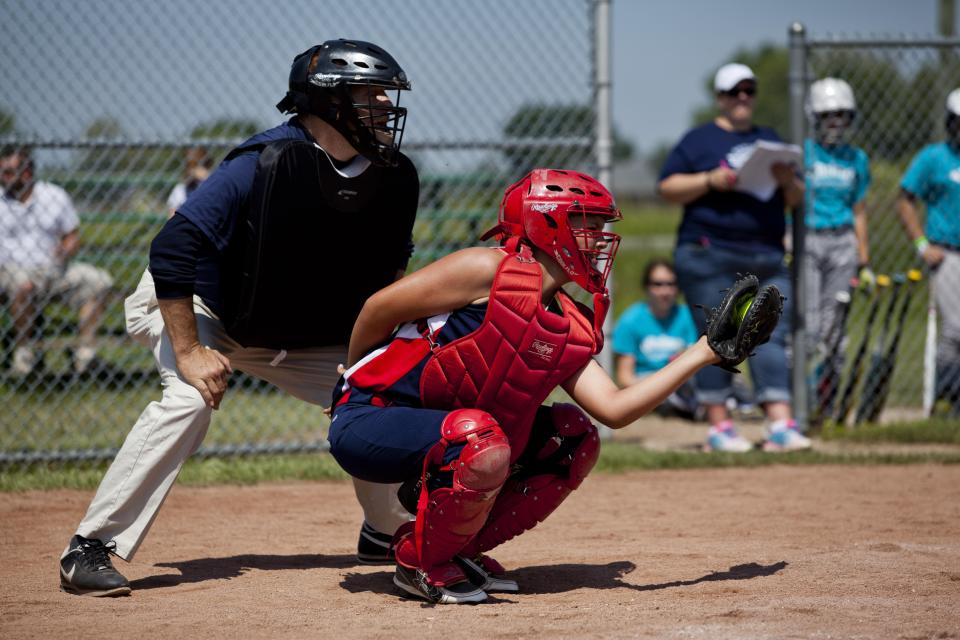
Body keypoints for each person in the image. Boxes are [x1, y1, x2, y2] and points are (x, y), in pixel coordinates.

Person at [59, 39, 419, 597]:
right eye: (370, 96)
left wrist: (375, 360)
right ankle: (89, 546)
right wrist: (188, 350)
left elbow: (390, 277)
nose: (383, 109)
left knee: (373, 395)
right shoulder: (261, 162)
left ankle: (385, 527)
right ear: (330, 102)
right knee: (187, 400)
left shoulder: (390, 177)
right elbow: (174, 246)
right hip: (205, 306)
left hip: (293, 326)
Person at [327, 168, 783, 604]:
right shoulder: (484, 269)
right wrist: (351, 379)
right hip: (371, 415)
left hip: (454, 435)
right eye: (588, 225)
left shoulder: (567, 321)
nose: (600, 239)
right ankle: (418, 562)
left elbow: (615, 409)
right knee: (478, 435)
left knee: (573, 435)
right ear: (546, 223)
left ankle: (453, 549)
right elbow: (376, 310)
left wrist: (704, 351)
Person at [657, 62, 811, 453]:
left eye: (749, 90)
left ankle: (779, 423)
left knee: (770, 335)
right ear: (720, 98)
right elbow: (668, 186)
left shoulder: (770, 139)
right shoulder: (698, 140)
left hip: (767, 253)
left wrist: (786, 181)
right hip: (710, 251)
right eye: (734, 91)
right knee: (717, 336)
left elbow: (796, 199)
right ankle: (720, 427)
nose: (742, 98)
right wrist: (711, 179)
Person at [0, 145, 114, 376]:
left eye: (8, 172)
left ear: (27, 173)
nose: (3, 177)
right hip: (10, 271)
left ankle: (85, 353)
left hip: (53, 271)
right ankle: (24, 354)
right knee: (23, 283)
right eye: (2, 171)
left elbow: (72, 236)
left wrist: (65, 249)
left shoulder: (54, 196)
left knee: (100, 281)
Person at [803, 78, 873, 403]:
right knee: (810, 322)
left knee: (836, 327)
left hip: (842, 241)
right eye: (828, 114)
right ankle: (798, 395)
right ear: (815, 116)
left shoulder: (856, 158)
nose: (835, 122)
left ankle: (826, 397)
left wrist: (864, 258)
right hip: (808, 239)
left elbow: (859, 209)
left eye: (842, 115)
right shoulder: (804, 153)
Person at [897, 88, 960, 413]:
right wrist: (922, 244)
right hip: (947, 253)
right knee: (955, 330)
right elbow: (905, 197)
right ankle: (948, 398)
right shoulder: (934, 158)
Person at [612, 258, 700, 419]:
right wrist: (657, 391)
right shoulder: (630, 320)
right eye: (658, 284)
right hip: (646, 380)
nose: (665, 291)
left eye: (671, 284)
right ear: (647, 287)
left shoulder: (687, 316)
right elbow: (625, 377)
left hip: (681, 380)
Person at [166, 146, 213, 218]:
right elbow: (171, 216)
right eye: (191, 166)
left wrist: (206, 179)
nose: (195, 171)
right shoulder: (181, 189)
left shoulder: (213, 184)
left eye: (200, 166)